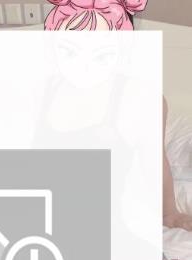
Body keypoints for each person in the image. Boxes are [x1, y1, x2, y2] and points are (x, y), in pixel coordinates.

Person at [44, 0, 192, 231]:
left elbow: (154, 163)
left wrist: (169, 213)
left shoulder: (142, 99)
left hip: (101, 230)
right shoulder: (43, 90)